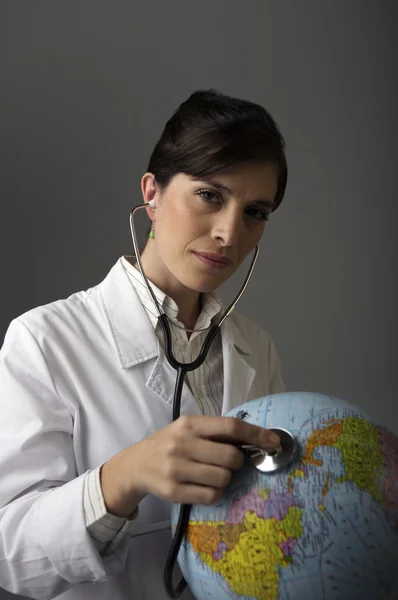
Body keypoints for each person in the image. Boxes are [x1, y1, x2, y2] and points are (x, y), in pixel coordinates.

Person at [0, 89, 288, 600]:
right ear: (152, 194)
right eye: (210, 195)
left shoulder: (255, 348)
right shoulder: (43, 341)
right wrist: (125, 476)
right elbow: (11, 557)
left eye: (255, 211)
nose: (229, 232)